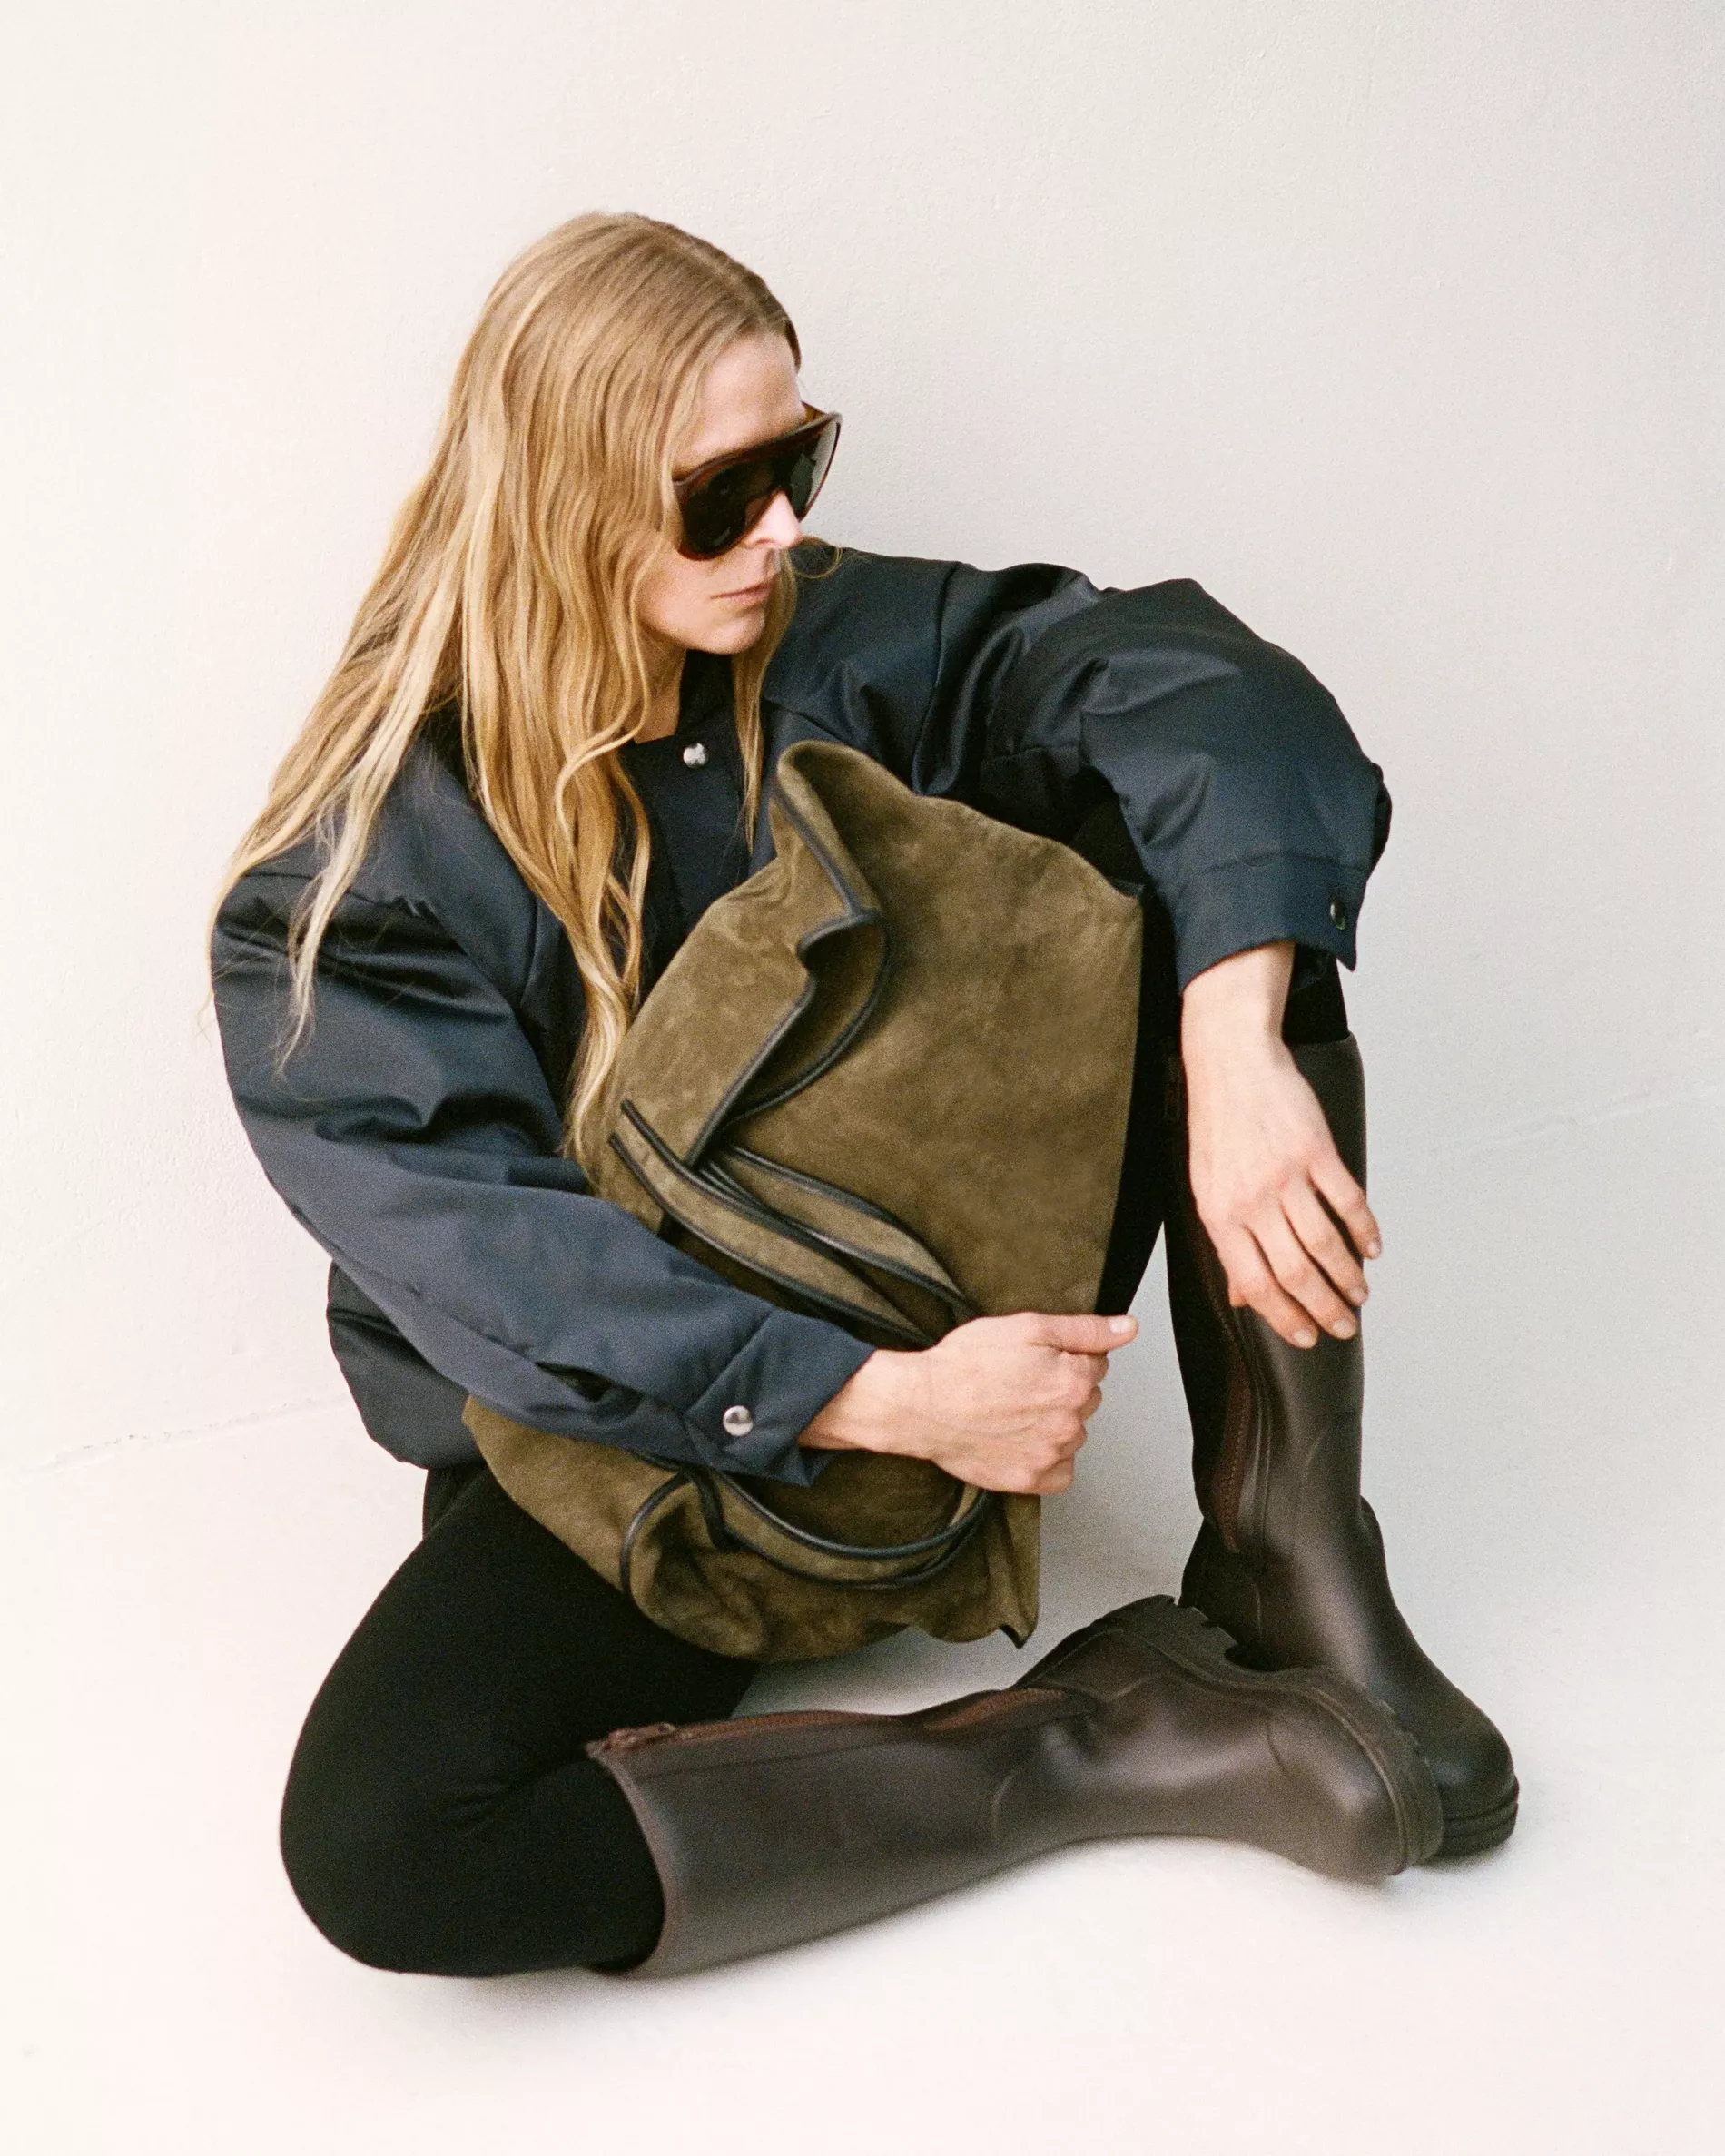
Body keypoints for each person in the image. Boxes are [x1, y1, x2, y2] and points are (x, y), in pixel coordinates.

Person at [212, 212, 1514, 1981]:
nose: (781, 529)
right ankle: (1097, 1740)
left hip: (906, 1282)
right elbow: (509, 1279)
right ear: (564, 502)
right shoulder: (349, 888)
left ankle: (1290, 1571)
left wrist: (1228, 1037)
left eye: (797, 458)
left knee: (1193, 860)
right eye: (718, 492)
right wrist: (888, 1398)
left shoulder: (819, 642)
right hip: (643, 1425)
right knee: (383, 1840)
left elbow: (1200, 690)